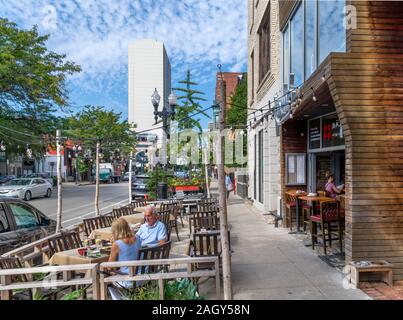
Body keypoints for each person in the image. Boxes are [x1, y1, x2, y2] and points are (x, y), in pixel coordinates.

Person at [108, 218, 142, 286]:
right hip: (141, 275)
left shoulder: (117, 244)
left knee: (101, 273)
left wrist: (113, 243)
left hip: (128, 279)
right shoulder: (138, 239)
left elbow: (109, 267)